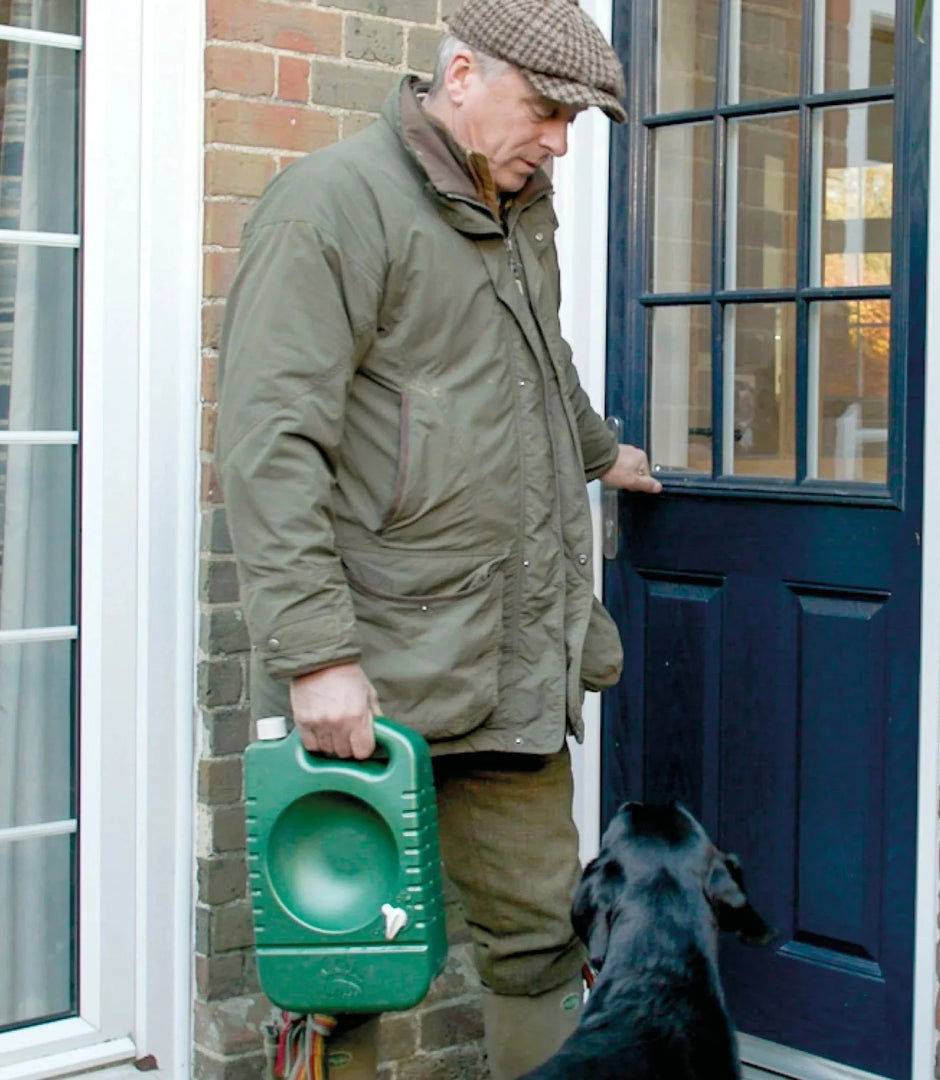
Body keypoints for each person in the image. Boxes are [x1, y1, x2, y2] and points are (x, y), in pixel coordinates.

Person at [216, 0, 662, 1076]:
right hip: (376, 666)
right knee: (345, 968)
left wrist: (602, 452)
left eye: (572, 121)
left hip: (515, 656)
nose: (559, 141)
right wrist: (317, 656)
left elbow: (535, 359)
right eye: (546, 110)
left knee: (542, 940)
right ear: (462, 75)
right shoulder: (330, 207)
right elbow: (271, 446)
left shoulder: (521, 206)